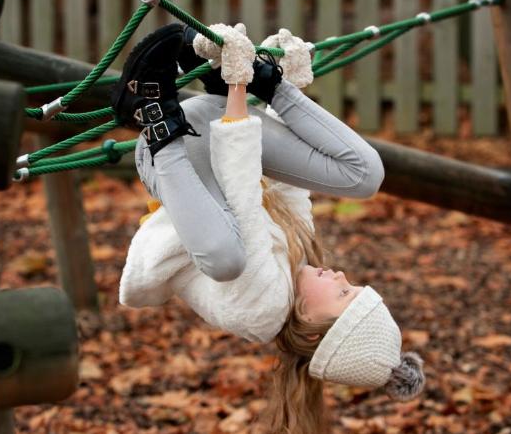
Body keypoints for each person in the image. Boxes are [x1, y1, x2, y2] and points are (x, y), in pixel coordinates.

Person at [113, 23, 424, 434]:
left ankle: (150, 111)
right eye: (355, 286)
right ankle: (261, 79)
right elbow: (286, 185)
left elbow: (243, 194)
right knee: (364, 175)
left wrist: (238, 87)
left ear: (312, 326)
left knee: (226, 258)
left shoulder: (262, 313)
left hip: (174, 162)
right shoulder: (305, 261)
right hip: (216, 130)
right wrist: (283, 84)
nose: (344, 277)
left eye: (344, 293)